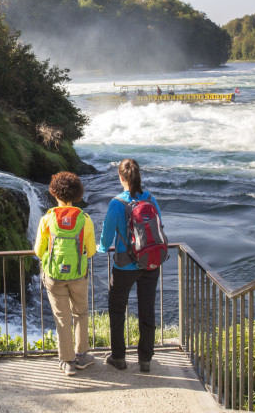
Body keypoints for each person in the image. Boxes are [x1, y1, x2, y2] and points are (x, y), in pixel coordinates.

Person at [98, 158, 162, 373]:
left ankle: (119, 358)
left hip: (125, 266)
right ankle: (145, 360)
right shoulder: (151, 199)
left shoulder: (117, 203)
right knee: (147, 310)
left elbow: (107, 239)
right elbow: (159, 227)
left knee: (117, 310)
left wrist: (99, 248)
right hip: (150, 264)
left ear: (121, 177)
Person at [34, 172, 97, 376]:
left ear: (54, 193)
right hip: (79, 274)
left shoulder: (47, 219)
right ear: (77, 194)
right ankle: (82, 356)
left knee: (62, 317)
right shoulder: (85, 219)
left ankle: (67, 361)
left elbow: (38, 251)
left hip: (54, 275)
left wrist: (51, 259)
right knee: (81, 313)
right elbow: (92, 250)